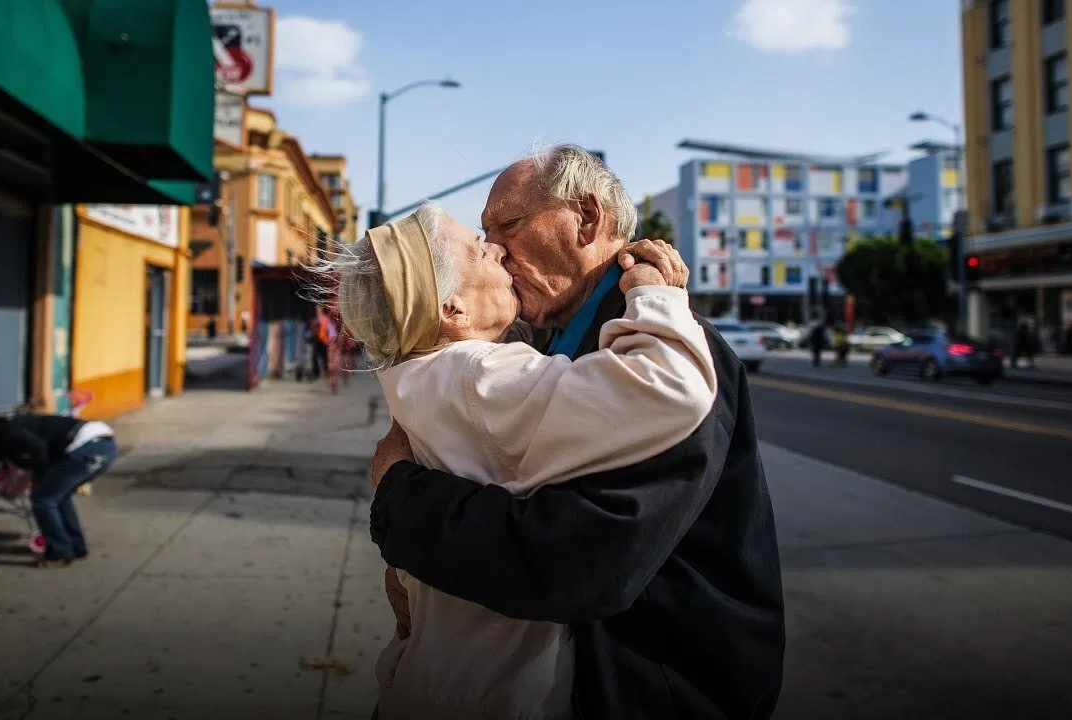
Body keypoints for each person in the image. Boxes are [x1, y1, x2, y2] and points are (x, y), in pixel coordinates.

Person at [368, 145, 785, 720]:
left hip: (654, 689)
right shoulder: (543, 345)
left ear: (586, 218)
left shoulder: (672, 350)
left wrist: (398, 496)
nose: (495, 248)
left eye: (507, 225)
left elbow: (576, 562)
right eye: (484, 235)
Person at [331, 204, 714, 719]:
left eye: (505, 227)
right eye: (479, 247)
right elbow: (669, 388)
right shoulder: (478, 374)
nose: (497, 249)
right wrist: (654, 294)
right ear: (451, 309)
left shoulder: (417, 377)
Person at [0, 412, 117, 568]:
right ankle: (75, 547)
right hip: (105, 444)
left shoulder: (14, 433)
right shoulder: (24, 424)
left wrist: (39, 478)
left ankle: (59, 553)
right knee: (59, 496)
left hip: (88, 446)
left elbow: (40, 452)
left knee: (42, 499)